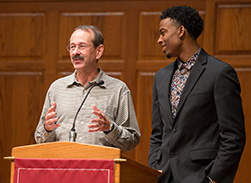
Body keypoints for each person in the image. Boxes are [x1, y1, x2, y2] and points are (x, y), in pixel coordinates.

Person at [148, 6, 245, 183]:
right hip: (164, 176)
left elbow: (233, 137)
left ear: (181, 31)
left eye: (163, 33)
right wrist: (155, 166)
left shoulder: (219, 73)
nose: (159, 40)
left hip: (200, 175)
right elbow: (158, 133)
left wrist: (213, 178)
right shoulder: (160, 77)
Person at [35, 25, 140, 152]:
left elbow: (132, 141)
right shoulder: (57, 88)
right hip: (62, 168)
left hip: (100, 168)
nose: (75, 52)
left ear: (98, 51)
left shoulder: (118, 90)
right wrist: (47, 129)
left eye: (82, 46)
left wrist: (110, 129)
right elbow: (39, 138)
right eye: (72, 47)